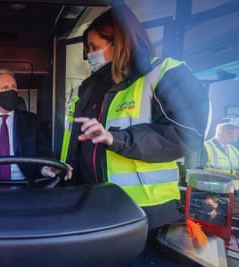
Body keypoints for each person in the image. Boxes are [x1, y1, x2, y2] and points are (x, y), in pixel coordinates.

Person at [60, 3, 209, 261]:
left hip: (147, 215)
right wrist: (63, 169)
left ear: (118, 43)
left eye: (94, 48)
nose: (90, 56)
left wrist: (117, 139)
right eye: (88, 51)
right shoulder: (88, 88)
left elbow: (186, 136)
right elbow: (73, 140)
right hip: (92, 209)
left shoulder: (165, 74)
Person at [0, 68, 72, 184]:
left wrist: (48, 167)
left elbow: (44, 154)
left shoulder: (33, 121)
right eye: (5, 88)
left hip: (25, 186)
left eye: (14, 87)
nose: (12, 91)